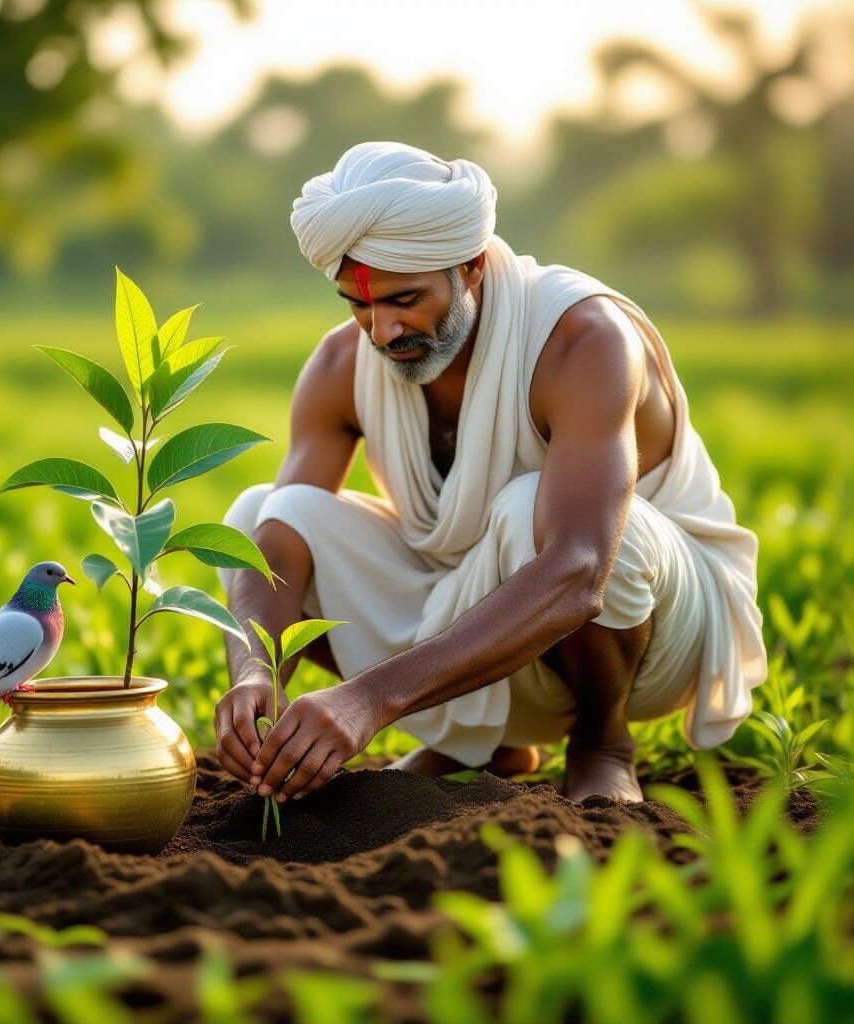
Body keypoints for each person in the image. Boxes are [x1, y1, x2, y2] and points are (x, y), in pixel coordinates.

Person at [212, 141, 766, 804]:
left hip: (652, 631)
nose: (382, 332)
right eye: (358, 306)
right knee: (258, 514)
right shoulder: (341, 367)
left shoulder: (582, 340)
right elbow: (281, 543)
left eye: (405, 300)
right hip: (481, 627)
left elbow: (581, 570)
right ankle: (482, 740)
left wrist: (371, 698)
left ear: (471, 266)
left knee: (530, 509)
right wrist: (254, 673)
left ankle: (603, 741)